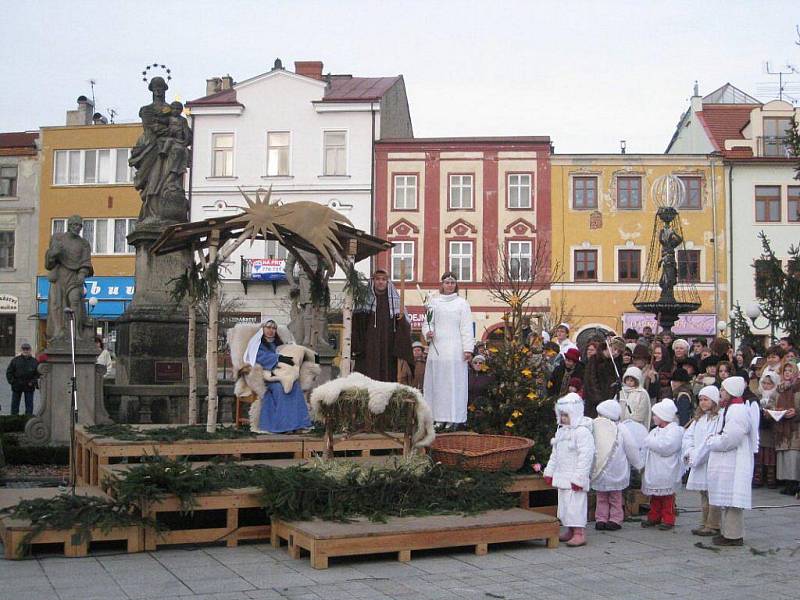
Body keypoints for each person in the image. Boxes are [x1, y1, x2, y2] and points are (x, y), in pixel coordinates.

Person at [705, 376, 754, 546]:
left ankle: (733, 535)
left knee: (733, 498)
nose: (721, 393)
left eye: (723, 390)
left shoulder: (737, 410)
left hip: (735, 460)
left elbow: (731, 439)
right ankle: (728, 532)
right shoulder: (731, 408)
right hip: (729, 460)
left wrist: (713, 441)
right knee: (728, 498)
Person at [422, 272, 475, 429]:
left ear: (456, 285)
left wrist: (468, 349)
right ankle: (436, 417)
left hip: (455, 351)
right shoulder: (434, 302)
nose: (450, 285)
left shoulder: (462, 303)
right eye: (447, 282)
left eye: (452, 282)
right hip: (438, 352)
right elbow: (427, 323)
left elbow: (466, 327)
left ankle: (453, 417)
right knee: (437, 385)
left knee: (453, 385)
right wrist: (428, 333)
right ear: (442, 284)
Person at [543, 392, 595, 547]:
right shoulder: (561, 431)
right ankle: (570, 529)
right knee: (565, 505)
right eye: (561, 415)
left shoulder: (582, 432)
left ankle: (579, 532)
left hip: (575, 476)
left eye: (566, 415)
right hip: (562, 475)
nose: (563, 418)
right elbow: (555, 453)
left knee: (576, 505)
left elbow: (586, 456)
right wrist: (550, 471)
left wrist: (580, 478)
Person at [243, 320, 312, 433]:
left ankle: (299, 424)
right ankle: (283, 426)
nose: (271, 330)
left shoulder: (278, 343)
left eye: (274, 328)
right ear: (263, 328)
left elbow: (289, 353)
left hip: (283, 373)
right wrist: (278, 359)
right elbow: (258, 357)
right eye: (268, 327)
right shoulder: (257, 344)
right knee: (280, 390)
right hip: (268, 376)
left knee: (295, 386)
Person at [352, 269, 414, 384]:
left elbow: (404, 325)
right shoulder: (364, 300)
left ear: (387, 282)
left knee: (388, 372)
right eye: (378, 279)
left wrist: (401, 322)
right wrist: (357, 346)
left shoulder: (395, 302)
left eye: (384, 279)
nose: (381, 282)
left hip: (388, 345)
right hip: (369, 346)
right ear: (373, 281)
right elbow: (357, 325)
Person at [591, 399, 643, 531]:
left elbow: (631, 447)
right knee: (601, 496)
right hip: (600, 468)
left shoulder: (621, 429)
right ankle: (601, 518)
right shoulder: (595, 428)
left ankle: (615, 518)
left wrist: (638, 463)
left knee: (615, 496)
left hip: (616, 468)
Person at [44, 215, 94, 341]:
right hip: (59, 275)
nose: (77, 228)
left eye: (79, 225)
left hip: (74, 277)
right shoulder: (58, 239)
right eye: (75, 225)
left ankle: (75, 332)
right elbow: (49, 263)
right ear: (69, 225)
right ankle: (59, 331)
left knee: (75, 302)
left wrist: (82, 273)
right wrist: (53, 254)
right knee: (56, 304)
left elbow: (86, 262)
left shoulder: (84, 244)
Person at [682, 385, 721, 537]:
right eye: (701, 400)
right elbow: (688, 436)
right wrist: (690, 451)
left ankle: (713, 524)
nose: (703, 403)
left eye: (706, 400)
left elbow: (711, 440)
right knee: (703, 493)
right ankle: (704, 522)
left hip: (710, 460)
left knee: (713, 493)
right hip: (698, 460)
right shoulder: (699, 419)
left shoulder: (718, 419)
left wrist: (698, 455)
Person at [641, 398, 684, 530]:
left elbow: (667, 446)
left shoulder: (674, 431)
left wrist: (650, 443)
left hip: (667, 468)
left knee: (667, 497)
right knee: (655, 497)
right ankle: (654, 516)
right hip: (655, 469)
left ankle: (668, 519)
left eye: (656, 415)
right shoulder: (655, 431)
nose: (653, 417)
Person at [774, 358, 800, 496]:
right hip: (782, 426)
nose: (788, 373)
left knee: (793, 455)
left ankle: (795, 483)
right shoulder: (778, 389)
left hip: (795, 428)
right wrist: (774, 410)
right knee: (784, 455)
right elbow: (771, 403)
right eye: (785, 371)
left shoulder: (798, 388)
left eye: (791, 370)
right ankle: (787, 483)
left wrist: (796, 412)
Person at [755, 370, 780, 489]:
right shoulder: (758, 394)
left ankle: (771, 478)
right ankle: (758, 477)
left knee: (770, 454)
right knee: (760, 453)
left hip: (771, 428)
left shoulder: (776, 395)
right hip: (760, 427)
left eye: (769, 384)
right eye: (764, 383)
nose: (766, 386)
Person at [6, 343, 39, 415]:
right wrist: (12, 382)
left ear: (30, 350)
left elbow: (38, 375)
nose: (25, 351)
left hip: (29, 386)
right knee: (15, 405)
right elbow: (9, 372)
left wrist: (33, 382)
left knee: (29, 406)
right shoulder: (15, 360)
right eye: (24, 349)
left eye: (27, 349)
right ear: (21, 350)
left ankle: (28, 420)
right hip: (17, 386)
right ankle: (14, 420)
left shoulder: (34, 361)